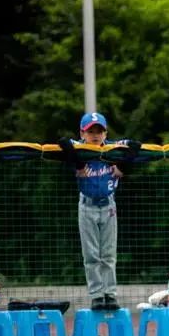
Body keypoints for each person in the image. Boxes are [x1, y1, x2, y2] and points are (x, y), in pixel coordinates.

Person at [58, 112, 140, 311]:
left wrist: (123, 166)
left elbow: (136, 145)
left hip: (108, 205)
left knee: (109, 255)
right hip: (87, 205)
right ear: (82, 133)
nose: (95, 135)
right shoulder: (79, 148)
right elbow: (62, 142)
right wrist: (78, 164)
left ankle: (110, 295)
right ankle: (96, 295)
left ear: (105, 133)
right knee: (92, 255)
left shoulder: (113, 148)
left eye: (99, 131)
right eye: (90, 131)